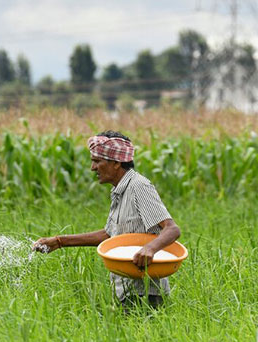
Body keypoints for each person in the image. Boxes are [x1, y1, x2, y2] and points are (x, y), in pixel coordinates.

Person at [33, 131, 181, 310]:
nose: (92, 168)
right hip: (126, 291)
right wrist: (59, 242)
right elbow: (110, 235)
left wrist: (150, 248)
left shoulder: (138, 186)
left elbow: (172, 229)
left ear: (117, 163)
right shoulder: (119, 190)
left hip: (146, 294)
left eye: (97, 161)